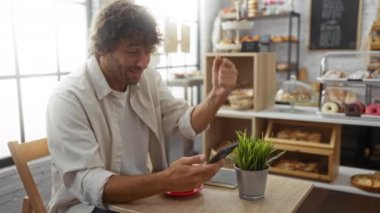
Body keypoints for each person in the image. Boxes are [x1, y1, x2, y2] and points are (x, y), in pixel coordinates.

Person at [46, 1, 238, 212]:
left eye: (147, 52)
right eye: (133, 52)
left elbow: (183, 120)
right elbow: (92, 185)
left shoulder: (148, 80)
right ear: (102, 48)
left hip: (143, 195)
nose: (143, 62)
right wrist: (165, 180)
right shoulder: (68, 98)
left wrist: (218, 94)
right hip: (86, 205)